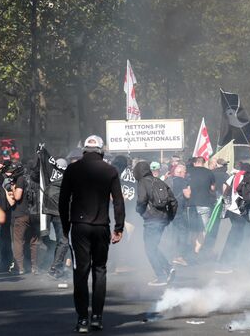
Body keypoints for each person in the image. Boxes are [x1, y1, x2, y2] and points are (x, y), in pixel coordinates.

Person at [59, 135, 125, 333]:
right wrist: (119, 228)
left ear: (84, 150)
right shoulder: (110, 170)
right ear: (101, 151)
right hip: (101, 226)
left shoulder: (73, 169)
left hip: (79, 226)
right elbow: (119, 201)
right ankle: (96, 317)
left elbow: (63, 200)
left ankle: (82, 320)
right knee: (100, 270)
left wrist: (65, 226)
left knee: (81, 272)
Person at [134, 161, 178, 286]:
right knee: (152, 246)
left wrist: (139, 210)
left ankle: (162, 276)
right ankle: (168, 269)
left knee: (150, 248)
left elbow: (142, 200)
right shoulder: (160, 181)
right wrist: (169, 217)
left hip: (151, 220)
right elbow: (174, 201)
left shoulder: (142, 182)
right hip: (162, 219)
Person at [216, 162, 250, 274]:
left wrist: (227, 197)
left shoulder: (234, 176)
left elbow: (224, 187)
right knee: (239, 236)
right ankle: (229, 262)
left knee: (235, 235)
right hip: (243, 210)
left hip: (233, 209)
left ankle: (230, 261)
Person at [10, 163, 41, 275]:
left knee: (18, 241)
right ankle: (34, 267)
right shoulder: (38, 180)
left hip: (21, 214)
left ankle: (20, 267)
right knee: (34, 241)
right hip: (35, 214)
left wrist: (13, 189)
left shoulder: (21, 179)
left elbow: (18, 196)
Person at [187, 157, 216, 254]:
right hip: (205, 203)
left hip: (191, 204)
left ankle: (192, 248)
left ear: (195, 163)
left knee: (192, 228)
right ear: (204, 163)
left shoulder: (189, 172)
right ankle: (197, 250)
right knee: (203, 229)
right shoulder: (209, 172)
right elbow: (212, 188)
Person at [170, 164, 192, 267]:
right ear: (180, 172)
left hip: (169, 210)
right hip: (179, 210)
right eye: (184, 172)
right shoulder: (183, 181)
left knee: (173, 232)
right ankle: (179, 257)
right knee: (183, 232)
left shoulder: (169, 180)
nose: (185, 174)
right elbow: (188, 195)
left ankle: (172, 254)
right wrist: (189, 187)